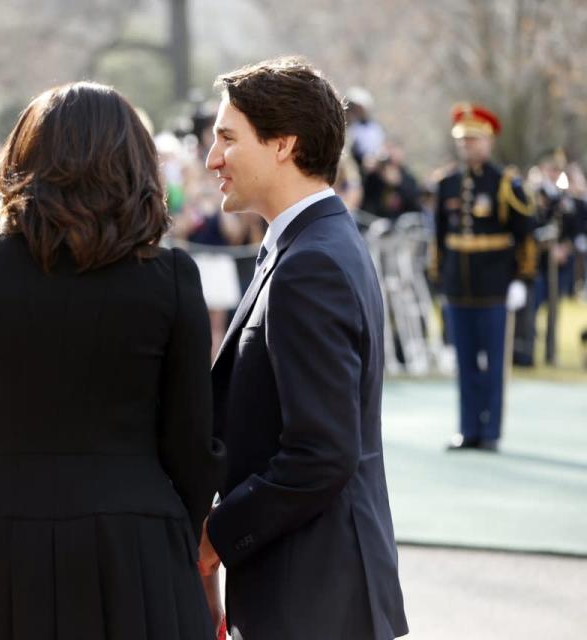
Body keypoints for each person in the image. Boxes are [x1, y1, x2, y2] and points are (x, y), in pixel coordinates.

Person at [0, 81, 225, 639]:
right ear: (135, 165)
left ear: (20, 163)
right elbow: (191, 440)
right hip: (138, 546)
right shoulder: (170, 278)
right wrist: (177, 533)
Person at [196, 57, 408, 640]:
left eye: (227, 139)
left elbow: (321, 453)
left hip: (315, 597)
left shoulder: (311, 260)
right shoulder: (305, 243)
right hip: (308, 588)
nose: (212, 158)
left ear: (283, 143)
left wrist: (215, 538)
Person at [430, 103, 536, 451]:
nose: (468, 147)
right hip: (459, 288)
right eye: (463, 141)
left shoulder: (505, 184)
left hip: (494, 288)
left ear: (489, 142)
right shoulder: (447, 184)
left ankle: (490, 431)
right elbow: (440, 240)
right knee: (464, 363)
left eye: (474, 140)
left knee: (492, 364)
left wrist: (523, 279)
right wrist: (439, 280)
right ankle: (467, 428)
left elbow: (525, 236)